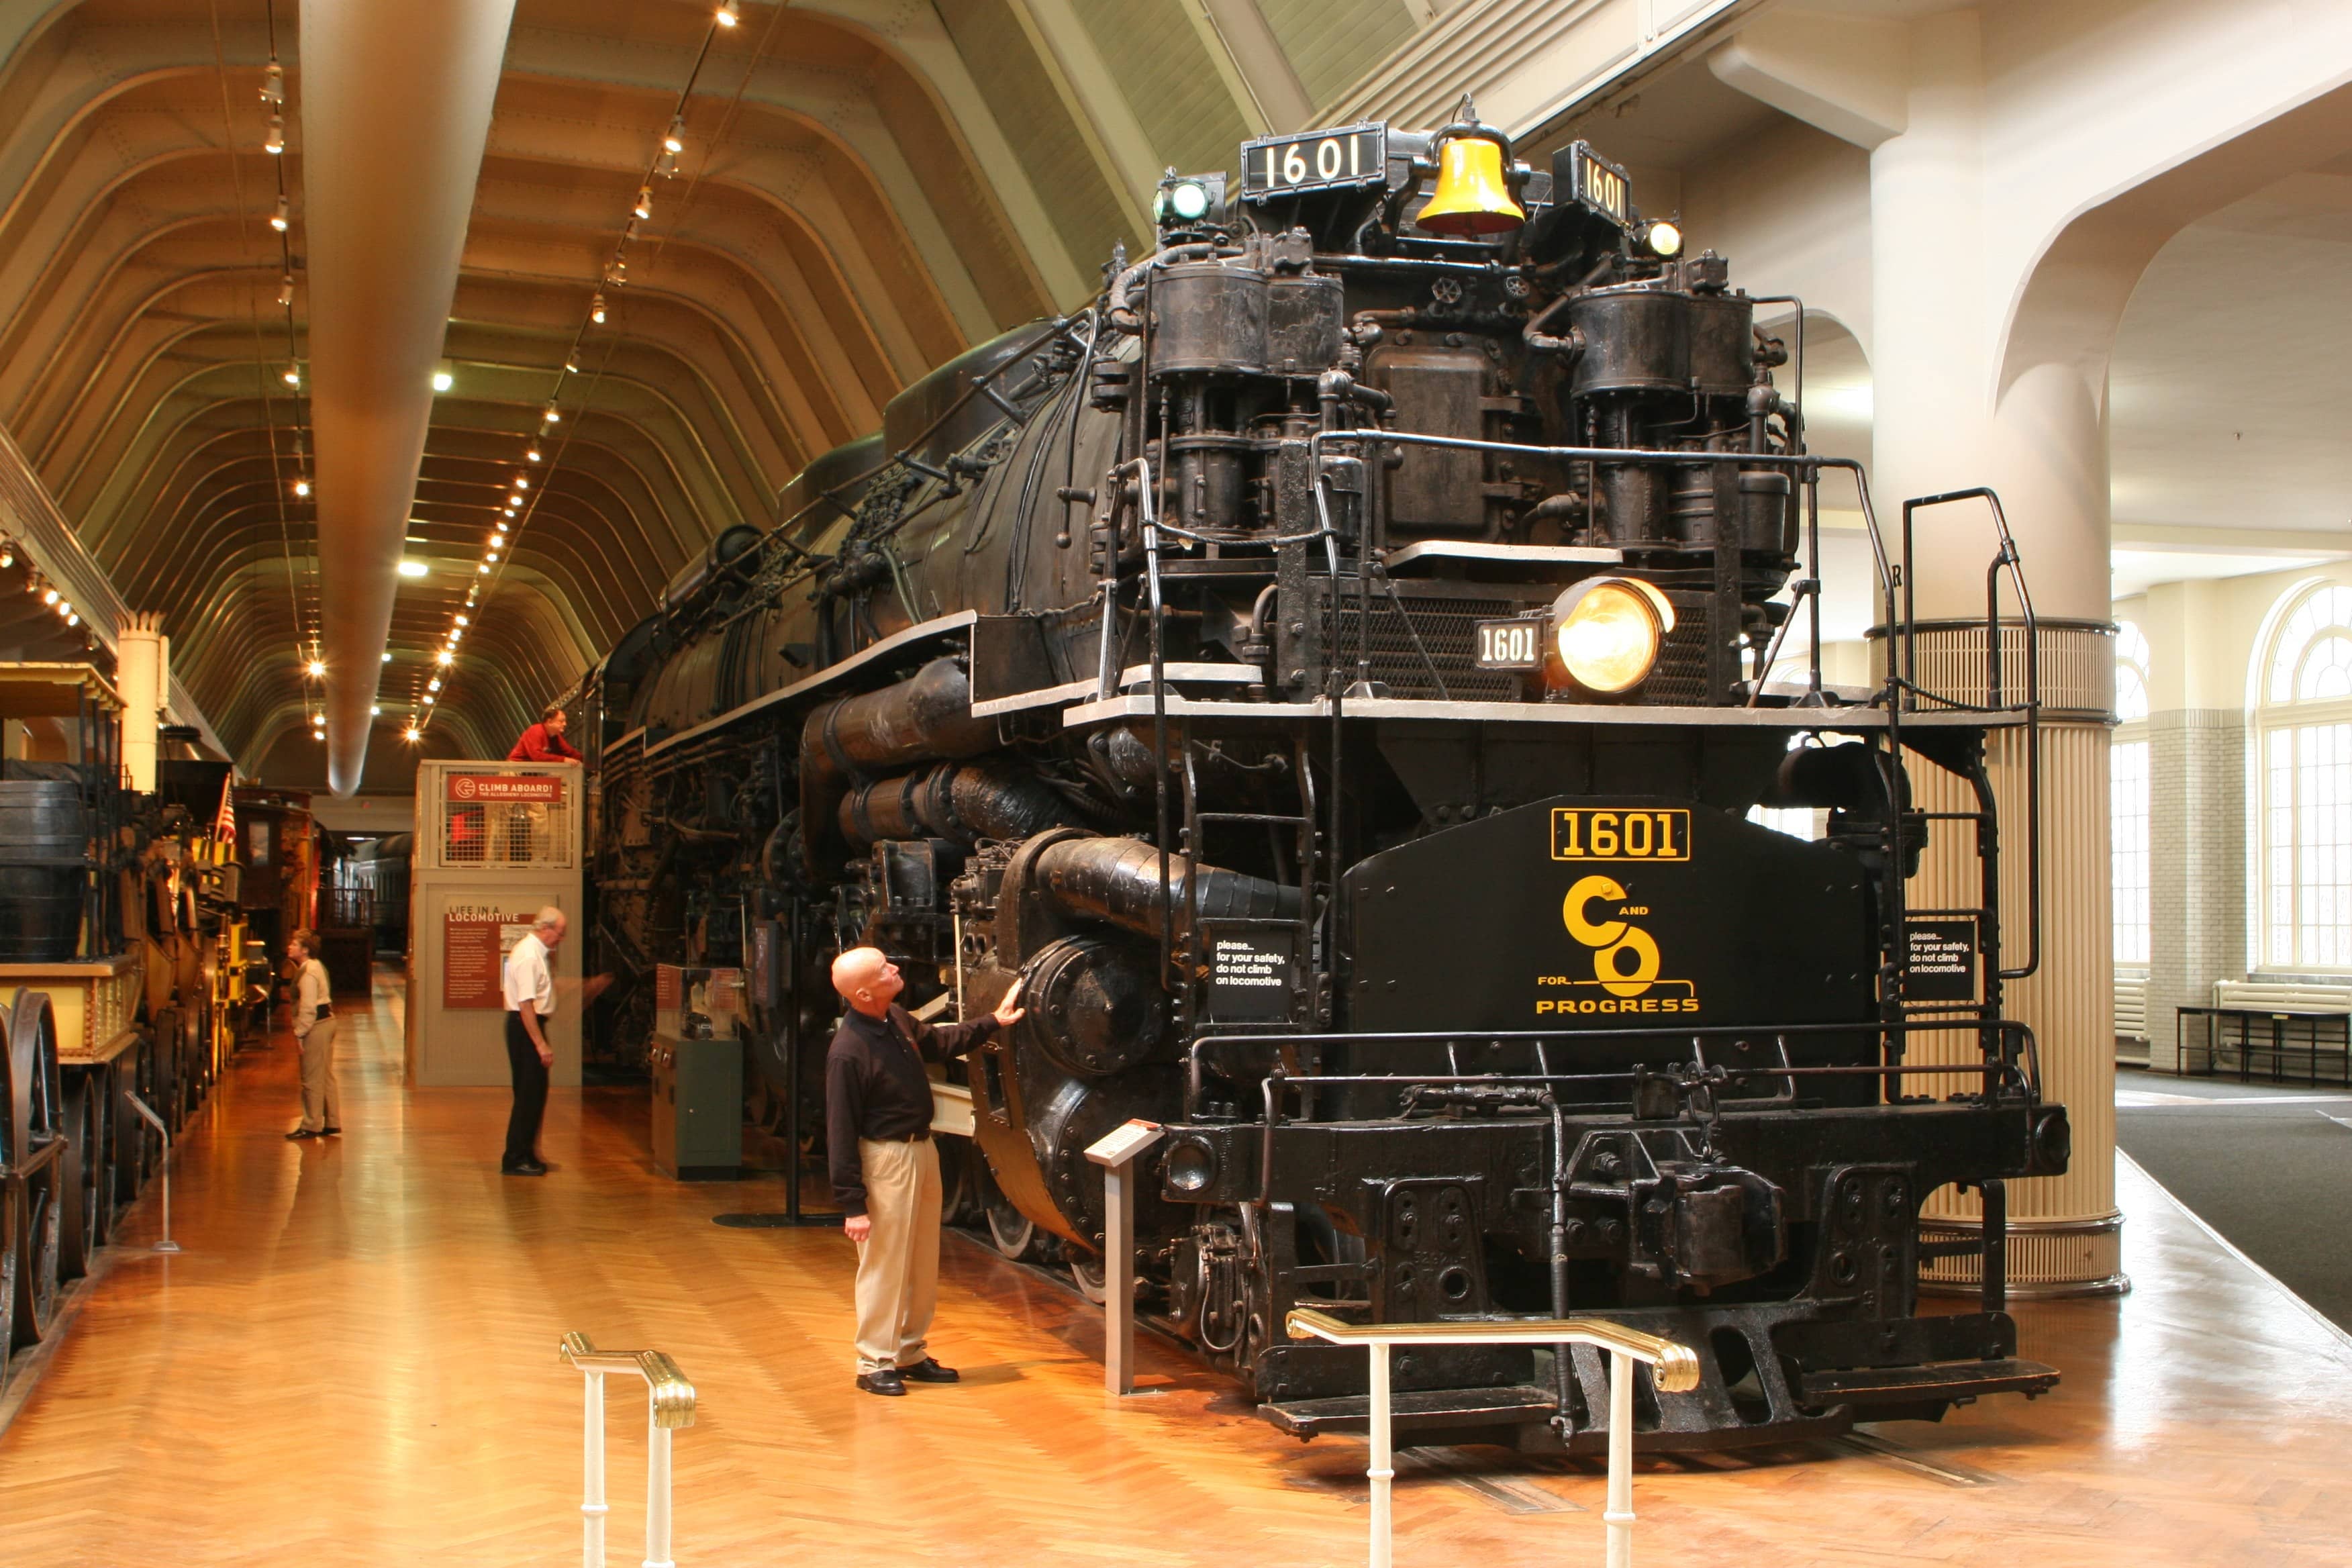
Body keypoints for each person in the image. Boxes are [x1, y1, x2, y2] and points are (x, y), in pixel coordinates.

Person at [827, 947, 1025, 1396]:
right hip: (885, 1161)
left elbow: (939, 1042)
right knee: (884, 1264)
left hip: (921, 1152)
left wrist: (994, 1021)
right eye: (883, 969)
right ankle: (874, 1361)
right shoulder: (848, 1051)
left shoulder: (893, 1017)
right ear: (862, 992)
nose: (895, 968)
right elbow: (840, 1130)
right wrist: (853, 1205)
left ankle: (910, 1351)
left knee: (918, 1260)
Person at [500, 907, 566, 1176]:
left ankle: (527, 1152)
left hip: (529, 1026)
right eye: (559, 934)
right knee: (528, 1095)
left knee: (535, 1094)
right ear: (545, 928)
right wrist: (541, 1045)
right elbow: (525, 1006)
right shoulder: (529, 956)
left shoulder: (537, 953)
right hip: (526, 1027)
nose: (560, 939)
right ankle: (514, 1158)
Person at [283, 930, 340, 1140]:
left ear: (305, 950)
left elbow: (308, 1007)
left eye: (294, 944)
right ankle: (332, 1121)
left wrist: (300, 1033)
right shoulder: (317, 966)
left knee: (311, 1079)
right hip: (328, 1022)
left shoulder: (307, 973)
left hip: (316, 1026)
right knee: (325, 1075)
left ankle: (311, 1124)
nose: (289, 947)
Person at [507, 703, 584, 763]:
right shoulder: (535, 731)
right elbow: (537, 756)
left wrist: (586, 761)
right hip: (516, 767)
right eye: (561, 721)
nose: (565, 724)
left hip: (532, 770)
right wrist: (563, 760)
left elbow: (570, 752)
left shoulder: (556, 736)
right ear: (549, 722)